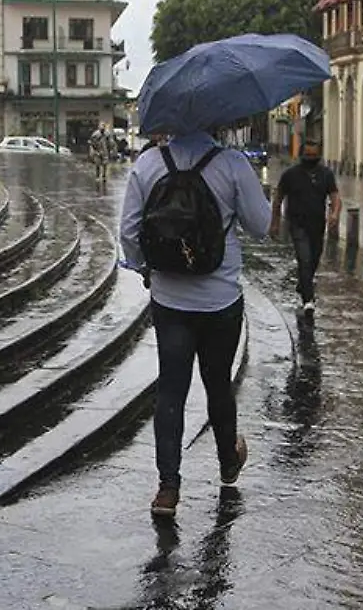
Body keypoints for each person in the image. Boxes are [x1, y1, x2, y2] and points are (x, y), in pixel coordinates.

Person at [119, 130, 271, 517]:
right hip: (221, 299)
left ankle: (168, 488)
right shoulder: (233, 163)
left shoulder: (149, 163)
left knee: (171, 389)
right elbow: (261, 225)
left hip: (169, 300)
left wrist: (145, 269)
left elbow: (128, 232)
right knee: (218, 383)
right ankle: (227, 462)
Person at [269, 141, 341, 315]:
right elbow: (278, 198)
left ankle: (303, 284)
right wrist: (275, 222)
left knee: (314, 259)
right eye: (307, 155)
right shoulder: (290, 175)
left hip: (317, 225)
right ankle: (308, 299)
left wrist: (334, 214)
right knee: (305, 259)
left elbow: (335, 197)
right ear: (301, 155)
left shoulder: (326, 174)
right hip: (296, 224)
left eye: (314, 155)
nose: (311, 158)